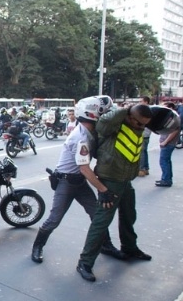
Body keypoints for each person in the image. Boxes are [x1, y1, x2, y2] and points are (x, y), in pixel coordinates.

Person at [31, 96, 125, 263]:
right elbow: (84, 168)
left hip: (79, 182)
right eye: (103, 114)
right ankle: (37, 246)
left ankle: (106, 245)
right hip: (66, 182)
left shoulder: (89, 131)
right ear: (93, 115)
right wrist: (104, 190)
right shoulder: (81, 137)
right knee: (54, 219)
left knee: (97, 215)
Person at [76, 104, 153, 282]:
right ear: (129, 116)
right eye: (139, 123)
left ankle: (129, 248)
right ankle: (85, 262)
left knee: (129, 215)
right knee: (101, 222)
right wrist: (125, 109)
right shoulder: (112, 126)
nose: (141, 127)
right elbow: (103, 123)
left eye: (144, 125)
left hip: (125, 180)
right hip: (110, 180)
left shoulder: (136, 125)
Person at [155, 103, 181, 187]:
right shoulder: (171, 117)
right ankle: (167, 178)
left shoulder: (174, 118)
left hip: (168, 143)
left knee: (164, 161)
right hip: (168, 143)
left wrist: (165, 142)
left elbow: (174, 131)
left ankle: (166, 179)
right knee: (167, 161)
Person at [138, 96, 152, 177]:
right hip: (146, 133)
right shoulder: (148, 110)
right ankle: (146, 167)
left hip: (144, 133)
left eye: (141, 101)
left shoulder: (146, 111)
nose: (140, 103)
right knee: (144, 151)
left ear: (146, 102)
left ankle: (142, 168)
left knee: (142, 151)